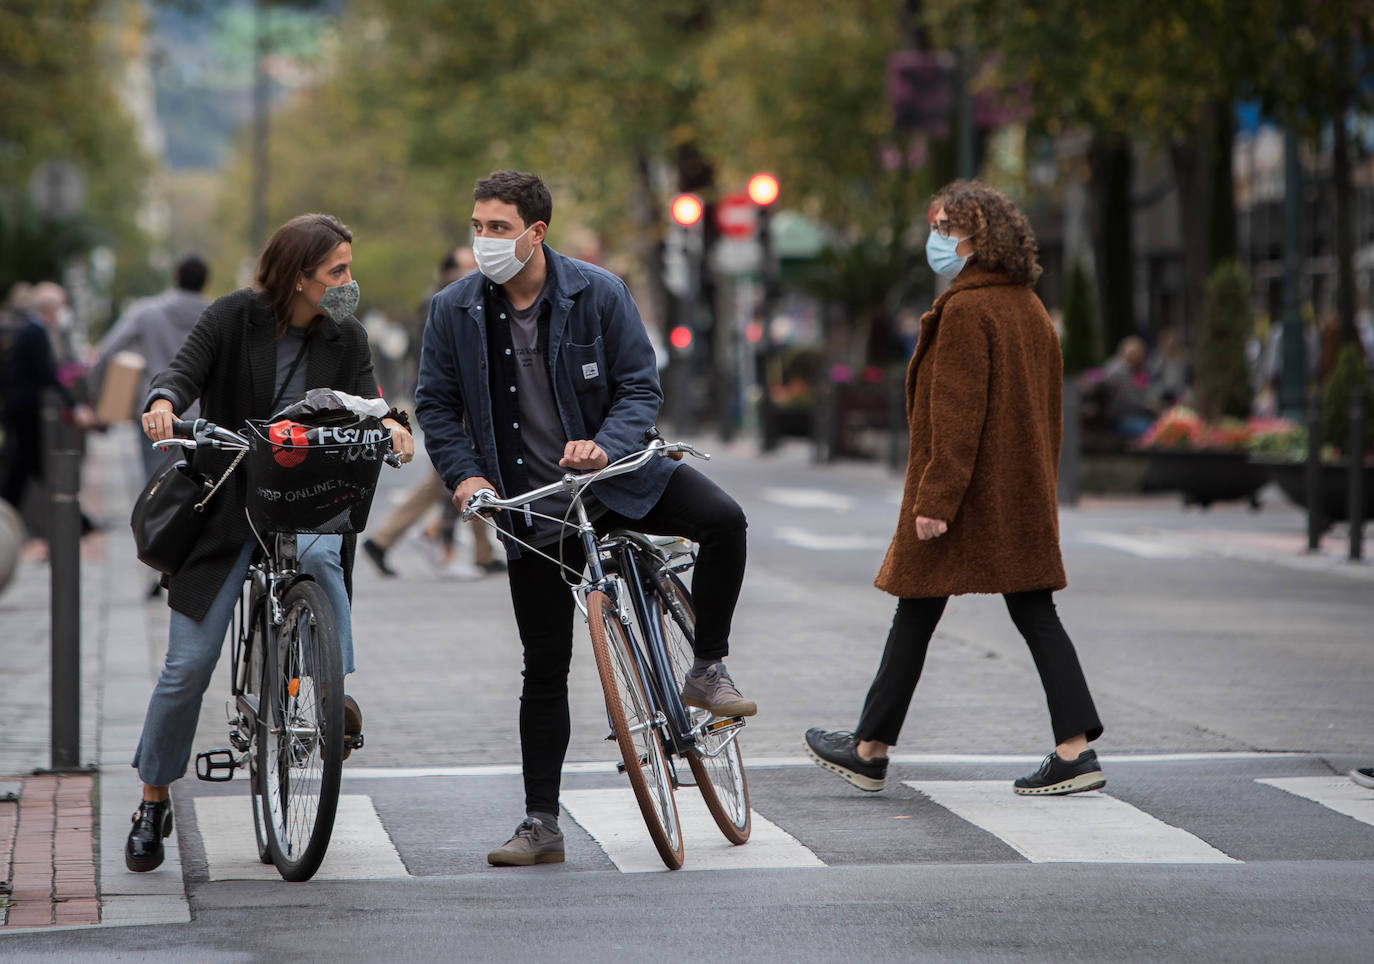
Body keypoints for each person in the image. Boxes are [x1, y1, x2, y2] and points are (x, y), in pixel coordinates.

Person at [415, 170, 753, 866]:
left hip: (619, 480)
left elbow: (638, 386)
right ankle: (541, 823)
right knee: (543, 665)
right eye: (477, 226)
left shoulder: (597, 292)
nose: (484, 240)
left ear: (537, 232)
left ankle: (708, 667)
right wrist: (465, 474)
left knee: (725, 521)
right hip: (530, 507)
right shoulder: (454, 310)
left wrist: (607, 445)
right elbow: (437, 407)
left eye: (499, 228)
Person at [126, 213, 416, 873]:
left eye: (349, 268)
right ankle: (152, 799)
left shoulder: (346, 335)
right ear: (298, 275)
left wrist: (396, 423)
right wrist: (165, 403)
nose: (349, 282)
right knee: (187, 666)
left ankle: (326, 686)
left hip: (310, 497)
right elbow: (180, 372)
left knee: (320, 555)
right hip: (230, 501)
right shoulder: (232, 318)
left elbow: (370, 400)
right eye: (336, 271)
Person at [804, 180, 1105, 798]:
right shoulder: (1028, 307)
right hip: (1015, 493)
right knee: (1027, 609)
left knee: (917, 607)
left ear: (980, 237)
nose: (936, 240)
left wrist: (935, 501)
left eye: (947, 229)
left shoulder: (967, 311)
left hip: (966, 494)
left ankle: (869, 749)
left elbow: (956, 414)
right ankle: (1073, 749)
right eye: (935, 226)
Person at [362, 245, 500, 580]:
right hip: (447, 406)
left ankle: (481, 552)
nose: (473, 270)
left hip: (465, 407)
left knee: (467, 478)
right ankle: (382, 540)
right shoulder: (442, 303)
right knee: (450, 480)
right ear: (448, 271)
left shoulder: (476, 298)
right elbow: (439, 365)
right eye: (465, 265)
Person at [92, 254, 211, 478]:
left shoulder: (146, 312)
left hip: (155, 412)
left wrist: (97, 402)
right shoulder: (216, 315)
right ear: (206, 281)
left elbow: (106, 352)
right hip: (202, 415)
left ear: (175, 278)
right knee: (202, 489)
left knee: (156, 490)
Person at [0, 284, 96, 515]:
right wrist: (73, 405)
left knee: (23, 467)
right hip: (24, 409)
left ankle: (77, 520)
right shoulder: (35, 332)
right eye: (61, 307)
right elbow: (47, 374)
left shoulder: (30, 331)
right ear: (50, 309)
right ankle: (76, 520)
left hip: (19, 408)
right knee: (28, 466)